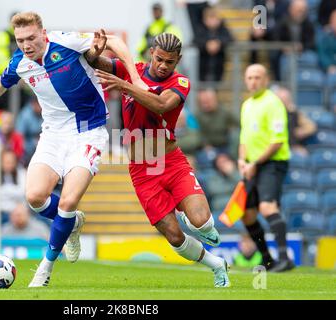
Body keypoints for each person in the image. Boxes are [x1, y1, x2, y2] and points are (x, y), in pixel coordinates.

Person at [0, 12, 144, 287]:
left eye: (31, 38)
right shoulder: (20, 62)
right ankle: (71, 224)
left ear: (43, 34)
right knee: (34, 197)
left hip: (87, 132)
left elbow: (113, 40)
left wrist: (135, 77)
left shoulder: (65, 42)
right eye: (20, 40)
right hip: (53, 134)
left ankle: (45, 268)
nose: (26, 45)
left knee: (67, 202)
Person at [89, 32, 230, 287]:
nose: (164, 66)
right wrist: (95, 50)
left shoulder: (181, 82)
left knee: (203, 223)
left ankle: (188, 214)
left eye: (170, 62)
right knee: (174, 237)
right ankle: (217, 265)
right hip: (142, 170)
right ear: (151, 53)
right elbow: (95, 63)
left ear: (178, 61)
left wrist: (125, 85)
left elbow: (161, 105)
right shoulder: (134, 70)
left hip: (170, 161)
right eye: (160, 59)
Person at [238, 64, 294, 272]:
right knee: (247, 214)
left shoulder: (273, 103)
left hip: (272, 163)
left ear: (266, 79)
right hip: (252, 165)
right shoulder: (247, 105)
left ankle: (284, 258)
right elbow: (244, 138)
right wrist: (242, 160)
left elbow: (277, 141)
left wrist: (255, 163)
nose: (253, 81)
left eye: (257, 77)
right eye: (249, 77)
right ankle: (267, 258)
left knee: (267, 207)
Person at [272, 86, 316, 155]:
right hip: (276, 147)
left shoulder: (294, 113)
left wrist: (301, 131)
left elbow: (311, 127)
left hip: (293, 147)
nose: (284, 102)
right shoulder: (271, 113)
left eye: (286, 99)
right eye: (281, 99)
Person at [193, 7, 233, 82]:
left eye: (215, 19)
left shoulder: (223, 29)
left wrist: (218, 43)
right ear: (205, 20)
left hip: (218, 65)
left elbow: (230, 39)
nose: (213, 22)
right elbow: (195, 40)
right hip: (203, 65)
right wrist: (206, 45)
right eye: (210, 19)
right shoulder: (200, 29)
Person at [194, 88, 239, 153]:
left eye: (208, 101)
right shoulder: (197, 115)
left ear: (215, 100)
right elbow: (196, 133)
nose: (205, 105)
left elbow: (238, 123)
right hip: (204, 148)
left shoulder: (225, 112)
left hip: (224, 145)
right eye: (203, 102)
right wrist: (205, 145)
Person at [0, 149, 26, 223]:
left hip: (18, 212)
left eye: (11, 162)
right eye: (6, 162)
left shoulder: (22, 173)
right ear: (1, 162)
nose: (9, 164)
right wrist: (14, 191)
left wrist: (4, 189)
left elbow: (22, 192)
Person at [15, 96, 43, 166]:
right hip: (28, 150)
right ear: (33, 104)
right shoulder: (25, 115)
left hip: (44, 145)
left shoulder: (46, 112)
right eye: (38, 104)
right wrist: (33, 144)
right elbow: (19, 137)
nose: (40, 107)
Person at [317, 10, 336, 75]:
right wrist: (328, 66)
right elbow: (322, 54)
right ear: (331, 22)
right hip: (329, 70)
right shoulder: (324, 37)